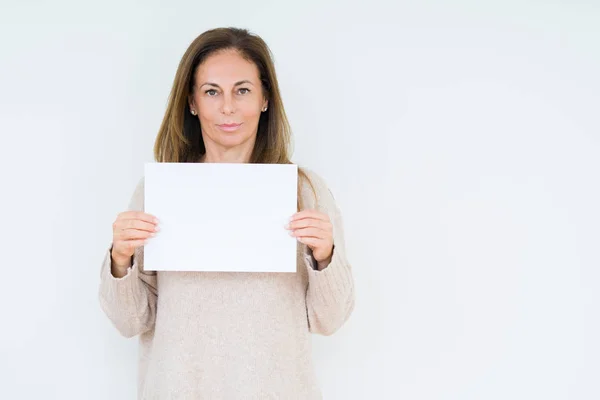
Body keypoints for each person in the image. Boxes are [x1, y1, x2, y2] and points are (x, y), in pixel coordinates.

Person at [98, 27, 355, 399]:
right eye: (212, 91)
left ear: (265, 98)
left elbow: (329, 321)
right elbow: (130, 322)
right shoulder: (159, 190)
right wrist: (120, 261)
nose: (228, 107)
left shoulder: (304, 191)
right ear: (192, 102)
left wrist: (325, 257)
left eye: (243, 90)